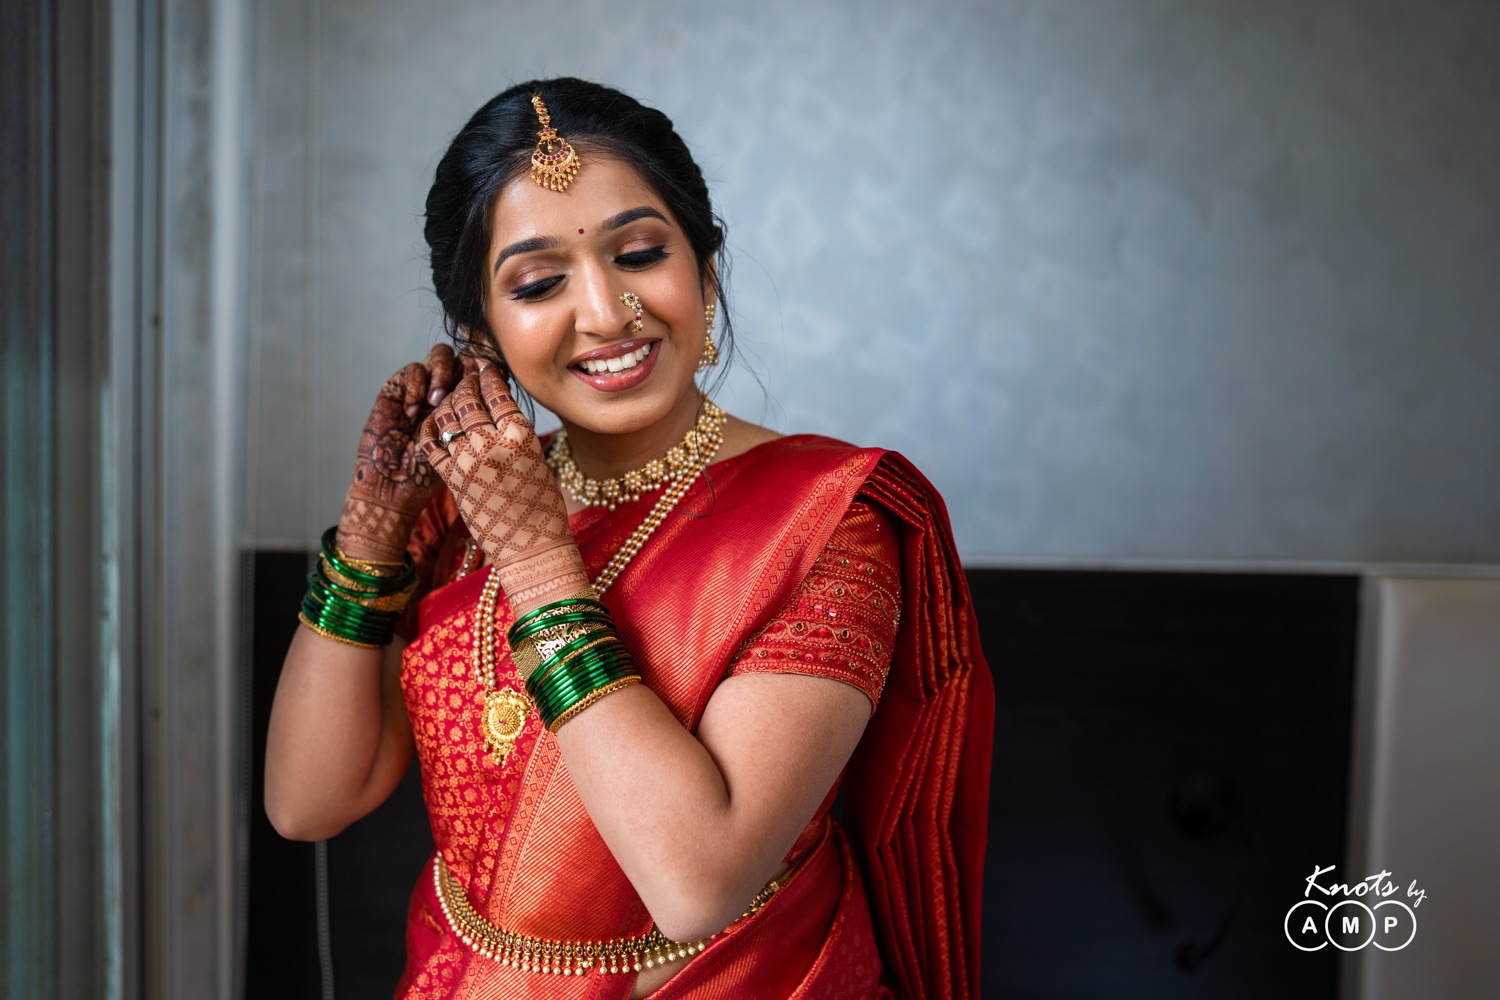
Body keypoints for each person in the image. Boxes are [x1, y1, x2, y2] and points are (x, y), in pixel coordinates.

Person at [265, 77, 993, 999]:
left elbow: (699, 881)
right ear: (478, 328)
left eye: (641, 254)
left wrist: (535, 563)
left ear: (707, 270)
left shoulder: (822, 524)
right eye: (537, 282)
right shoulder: (467, 508)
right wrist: (369, 544)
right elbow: (308, 802)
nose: (608, 314)